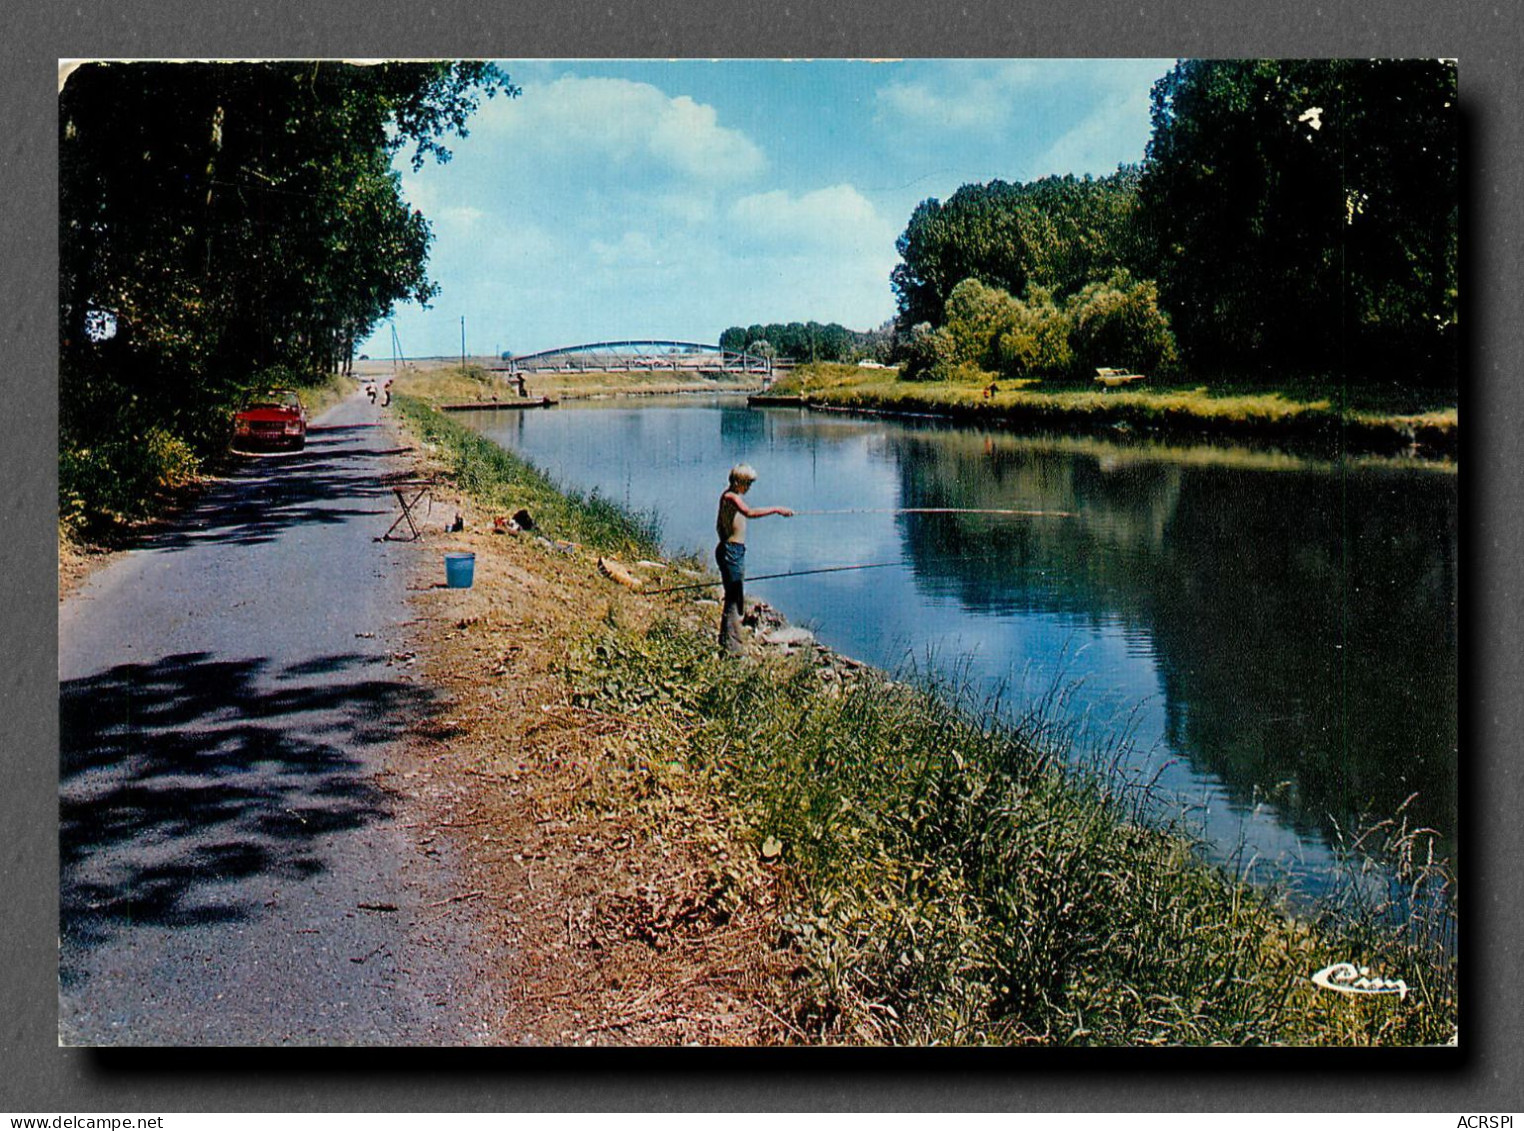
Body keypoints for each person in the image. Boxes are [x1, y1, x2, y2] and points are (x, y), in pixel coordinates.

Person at [715, 464, 793, 655]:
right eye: (747, 483)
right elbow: (748, 513)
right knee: (734, 598)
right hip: (731, 552)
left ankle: (730, 641)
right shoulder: (730, 497)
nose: (749, 487)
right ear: (736, 482)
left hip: (734, 551)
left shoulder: (733, 496)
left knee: (736, 597)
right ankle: (732, 647)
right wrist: (776, 509)